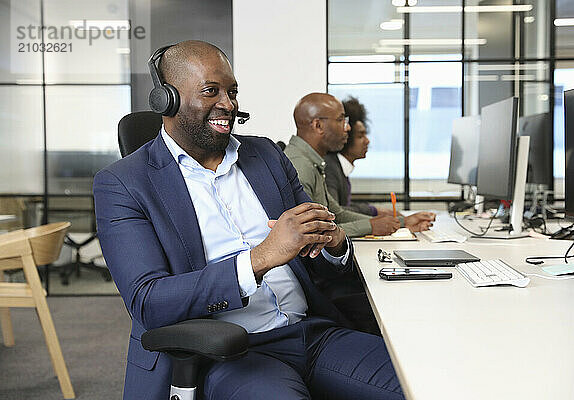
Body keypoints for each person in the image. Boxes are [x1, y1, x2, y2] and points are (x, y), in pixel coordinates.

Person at [94, 40, 404, 400]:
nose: (228, 104)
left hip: (312, 333)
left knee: (427, 382)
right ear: (167, 99)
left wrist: (333, 242)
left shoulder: (267, 156)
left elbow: (321, 256)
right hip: (233, 352)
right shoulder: (123, 183)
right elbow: (149, 301)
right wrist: (260, 259)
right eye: (211, 91)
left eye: (232, 91)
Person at [284, 92, 436, 238]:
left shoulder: (312, 161)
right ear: (318, 126)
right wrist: (371, 226)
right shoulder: (300, 166)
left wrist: (400, 223)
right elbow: (313, 232)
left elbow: (337, 215)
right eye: (340, 120)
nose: (347, 127)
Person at [325, 96, 393, 216]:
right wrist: (373, 211)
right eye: (360, 136)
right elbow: (336, 212)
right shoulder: (330, 167)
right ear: (346, 137)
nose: (367, 141)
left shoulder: (339, 167)